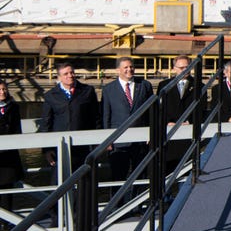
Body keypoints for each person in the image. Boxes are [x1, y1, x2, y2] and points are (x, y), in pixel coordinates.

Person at [101, 56, 154, 184]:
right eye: (125, 67)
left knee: (140, 177)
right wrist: (108, 139)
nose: (129, 70)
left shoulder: (145, 85)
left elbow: (152, 111)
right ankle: (117, 204)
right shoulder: (109, 89)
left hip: (140, 141)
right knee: (118, 177)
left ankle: (138, 203)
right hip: (118, 142)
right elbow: (106, 115)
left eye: (131, 67)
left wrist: (151, 132)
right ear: (118, 70)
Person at [39, 62, 100, 171]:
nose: (70, 76)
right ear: (59, 77)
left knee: (85, 181)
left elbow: (96, 117)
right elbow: (46, 123)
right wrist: (47, 149)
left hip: (84, 145)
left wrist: (97, 142)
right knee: (61, 181)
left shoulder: (87, 91)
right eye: (66, 74)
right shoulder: (50, 95)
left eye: (71, 72)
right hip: (61, 146)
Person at [158, 55, 205, 172]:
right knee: (167, 170)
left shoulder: (200, 86)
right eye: (181, 67)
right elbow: (160, 109)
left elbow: (202, 109)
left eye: (187, 67)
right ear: (174, 68)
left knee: (187, 170)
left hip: (189, 132)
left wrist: (190, 122)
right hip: (169, 133)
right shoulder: (164, 86)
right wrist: (168, 122)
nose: (185, 70)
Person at [0, 81, 24, 220]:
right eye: (0, 89)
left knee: (8, 189)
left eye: (4, 89)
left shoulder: (13, 107)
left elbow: (17, 129)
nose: (3, 92)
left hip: (9, 155)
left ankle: (6, 220)